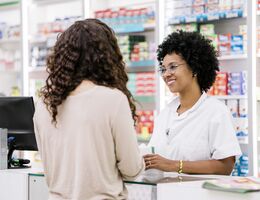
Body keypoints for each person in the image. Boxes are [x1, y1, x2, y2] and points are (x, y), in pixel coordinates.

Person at [33, 19, 144, 200]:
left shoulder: (45, 104)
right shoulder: (113, 99)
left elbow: (49, 167)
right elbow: (132, 170)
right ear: (108, 56)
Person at [144, 30, 241, 175]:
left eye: (173, 67)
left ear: (194, 68)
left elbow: (225, 166)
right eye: (163, 69)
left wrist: (174, 165)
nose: (166, 74)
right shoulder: (166, 114)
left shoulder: (216, 112)